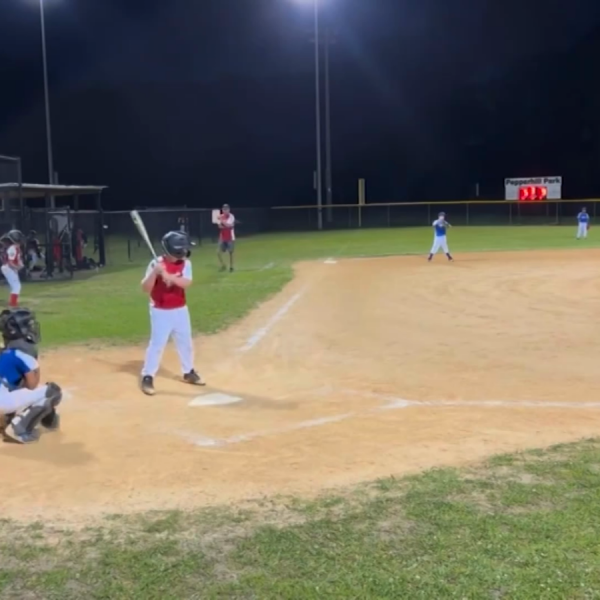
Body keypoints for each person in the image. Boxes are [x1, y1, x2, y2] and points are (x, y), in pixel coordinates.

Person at [139, 230, 205, 396]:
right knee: (157, 344)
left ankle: (188, 371)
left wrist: (170, 277)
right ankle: (148, 376)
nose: (185, 251)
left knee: (185, 342)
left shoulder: (186, 264)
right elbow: (145, 288)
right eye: (182, 248)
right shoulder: (156, 264)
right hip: (160, 311)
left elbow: (186, 283)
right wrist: (155, 273)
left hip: (180, 309)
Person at [0, 307, 62, 444]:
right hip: (2, 403)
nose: (31, 328)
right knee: (52, 391)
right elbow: (31, 386)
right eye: (28, 325)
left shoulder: (3, 351)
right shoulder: (23, 354)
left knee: (10, 385)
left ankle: (10, 418)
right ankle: (19, 428)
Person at [1, 230, 24, 306]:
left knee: (16, 286)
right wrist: (17, 267)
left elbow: (17, 259)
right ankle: (13, 303)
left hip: (9, 268)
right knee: (17, 286)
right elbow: (10, 262)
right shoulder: (13, 248)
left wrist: (20, 264)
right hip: (8, 268)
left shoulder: (15, 248)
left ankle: (13, 302)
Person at [217, 204, 236, 272]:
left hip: (230, 237)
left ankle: (231, 267)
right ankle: (223, 265)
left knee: (230, 253)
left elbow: (229, 225)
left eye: (226, 209)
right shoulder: (221, 216)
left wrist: (222, 221)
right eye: (224, 209)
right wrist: (224, 224)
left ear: (229, 210)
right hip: (222, 237)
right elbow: (219, 226)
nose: (225, 211)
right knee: (218, 252)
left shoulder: (231, 216)